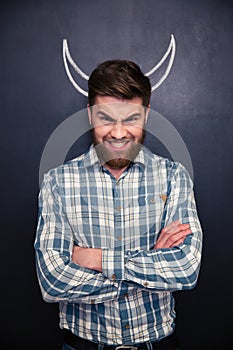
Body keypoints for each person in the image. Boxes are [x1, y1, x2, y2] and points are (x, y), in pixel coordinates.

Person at [34, 60, 202, 350]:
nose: (119, 132)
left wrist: (95, 259)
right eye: (106, 118)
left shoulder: (173, 177)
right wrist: (151, 264)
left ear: (147, 115)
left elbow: (185, 268)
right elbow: (53, 281)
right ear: (90, 115)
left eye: (132, 119)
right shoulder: (58, 183)